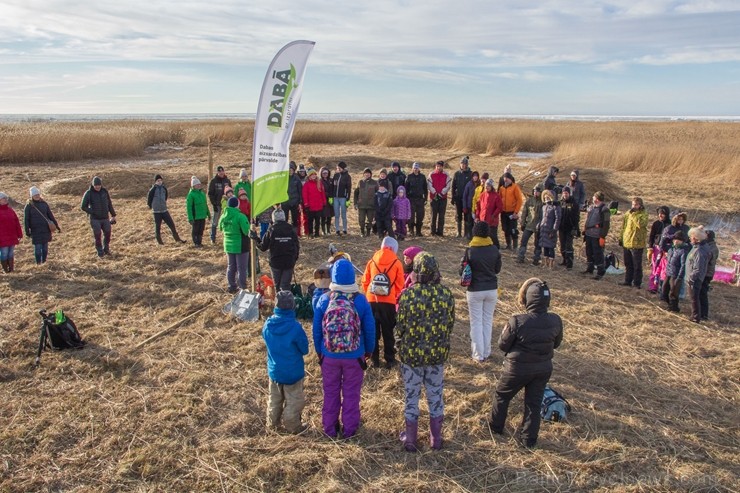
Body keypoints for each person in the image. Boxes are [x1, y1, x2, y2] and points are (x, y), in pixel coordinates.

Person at [489, 278, 563, 448]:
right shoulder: (556, 320)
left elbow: (503, 345)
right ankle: (529, 439)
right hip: (543, 368)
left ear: (528, 299)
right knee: (534, 403)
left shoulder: (517, 320)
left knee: (502, 396)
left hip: (516, 369)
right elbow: (556, 343)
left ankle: (495, 427)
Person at [396, 252, 455, 451]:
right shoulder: (446, 294)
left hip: (411, 356)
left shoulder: (407, 295)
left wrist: (400, 344)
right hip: (436, 355)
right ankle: (435, 439)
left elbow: (400, 326)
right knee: (435, 396)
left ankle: (411, 439)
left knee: (411, 396)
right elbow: (450, 325)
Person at [313, 259, 376, 439]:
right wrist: (368, 351)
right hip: (355, 356)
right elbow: (369, 329)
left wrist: (320, 351)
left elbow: (317, 329)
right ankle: (350, 429)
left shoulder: (324, 299)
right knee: (351, 393)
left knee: (330, 391)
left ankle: (330, 428)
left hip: (329, 355)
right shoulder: (361, 300)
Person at [262, 290, 309, 434]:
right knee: (294, 401)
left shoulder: (267, 325)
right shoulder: (295, 328)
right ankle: (293, 426)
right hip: (292, 373)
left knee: (274, 400)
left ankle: (272, 425)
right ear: (293, 307)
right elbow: (304, 349)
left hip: (274, 372)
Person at [361, 237, 404, 369]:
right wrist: (391, 294)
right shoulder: (397, 262)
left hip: (371, 301)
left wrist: (372, 294)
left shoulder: (372, 261)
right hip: (388, 302)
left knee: (372, 330)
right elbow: (400, 284)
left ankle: (374, 360)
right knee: (388, 331)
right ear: (392, 248)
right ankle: (390, 360)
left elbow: (365, 281)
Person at [463, 221, 502, 362]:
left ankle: (478, 355)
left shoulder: (470, 250)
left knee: (476, 323)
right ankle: (486, 351)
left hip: (475, 290)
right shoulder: (494, 249)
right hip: (492, 289)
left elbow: (462, 271)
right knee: (487, 321)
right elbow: (497, 270)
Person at [251, 209, 300, 292]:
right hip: (288, 261)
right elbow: (297, 246)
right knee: (285, 285)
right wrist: (294, 259)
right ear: (284, 217)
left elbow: (263, 247)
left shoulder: (271, 230)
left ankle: (279, 302)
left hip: (275, 262)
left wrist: (255, 238)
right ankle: (286, 302)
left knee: (277, 286)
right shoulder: (291, 229)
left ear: (273, 218)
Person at [219, 196, 250, 293]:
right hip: (240, 245)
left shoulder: (223, 216)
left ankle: (231, 286)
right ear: (237, 205)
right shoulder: (240, 216)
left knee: (231, 266)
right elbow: (246, 231)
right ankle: (242, 287)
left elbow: (220, 228)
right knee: (242, 268)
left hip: (228, 245)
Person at [81, 176, 117, 257]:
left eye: (99, 185)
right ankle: (100, 252)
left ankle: (106, 249)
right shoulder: (88, 193)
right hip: (95, 219)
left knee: (107, 234)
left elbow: (109, 203)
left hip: (105, 218)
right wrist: (92, 212)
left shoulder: (104, 191)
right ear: (93, 185)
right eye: (96, 185)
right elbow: (83, 206)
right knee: (97, 236)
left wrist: (113, 215)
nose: (97, 187)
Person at [24, 186, 60, 265]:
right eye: (35, 195)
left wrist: (56, 226)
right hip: (35, 230)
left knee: (45, 248)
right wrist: (27, 230)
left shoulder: (44, 204)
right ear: (31, 196)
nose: (37, 196)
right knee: (38, 248)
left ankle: (44, 261)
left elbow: (50, 215)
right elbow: (26, 219)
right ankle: (38, 263)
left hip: (45, 229)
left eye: (38, 194)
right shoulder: (29, 206)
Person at [147, 174, 186, 245]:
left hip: (164, 210)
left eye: (160, 180)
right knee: (158, 227)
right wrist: (151, 206)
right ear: (155, 181)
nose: (159, 182)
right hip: (157, 212)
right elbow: (149, 199)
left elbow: (166, 197)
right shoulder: (153, 190)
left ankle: (177, 239)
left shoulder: (164, 189)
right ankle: (160, 242)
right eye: (158, 180)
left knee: (172, 225)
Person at [619, 197, 649, 288]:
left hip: (637, 243)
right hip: (627, 241)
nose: (634, 206)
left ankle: (637, 283)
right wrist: (621, 238)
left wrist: (634, 215)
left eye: (636, 204)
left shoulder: (644, 214)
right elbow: (623, 227)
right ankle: (628, 280)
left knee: (637, 265)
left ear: (640, 205)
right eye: (633, 204)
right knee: (628, 263)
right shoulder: (628, 213)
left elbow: (640, 225)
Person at [582, 191, 611, 280]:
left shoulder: (605, 210)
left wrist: (602, 236)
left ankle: (600, 271)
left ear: (597, 199)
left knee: (598, 254)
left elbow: (606, 225)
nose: (593, 198)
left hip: (597, 235)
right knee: (589, 252)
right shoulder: (592, 207)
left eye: (594, 197)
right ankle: (590, 268)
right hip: (589, 234)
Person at [686, 227, 710, 323]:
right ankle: (695, 315)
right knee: (695, 297)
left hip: (694, 279)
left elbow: (698, 268)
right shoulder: (697, 247)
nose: (690, 238)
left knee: (694, 298)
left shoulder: (699, 251)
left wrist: (691, 278)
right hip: (694, 278)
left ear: (696, 238)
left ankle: (696, 317)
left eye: (691, 237)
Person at [661, 231, 690, 312]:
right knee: (664, 290)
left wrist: (679, 277)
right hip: (668, 273)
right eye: (675, 239)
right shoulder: (671, 249)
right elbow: (662, 246)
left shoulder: (683, 251)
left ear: (682, 241)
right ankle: (669, 304)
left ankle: (674, 308)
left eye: (678, 240)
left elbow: (683, 265)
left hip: (676, 275)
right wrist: (665, 238)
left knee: (673, 292)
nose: (676, 241)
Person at [517, 185, 544, 265]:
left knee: (537, 244)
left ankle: (536, 259)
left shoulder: (543, 202)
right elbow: (524, 212)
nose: (536, 193)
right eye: (535, 191)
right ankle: (520, 257)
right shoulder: (529, 201)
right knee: (523, 241)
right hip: (529, 225)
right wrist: (522, 223)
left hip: (538, 226)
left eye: (538, 191)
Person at [647, 206, 671, 293]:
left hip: (665, 249)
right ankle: (653, 286)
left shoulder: (670, 224)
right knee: (655, 267)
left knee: (663, 268)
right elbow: (651, 236)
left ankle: (662, 287)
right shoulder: (656, 223)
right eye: (659, 213)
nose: (660, 215)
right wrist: (650, 247)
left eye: (663, 214)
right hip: (656, 247)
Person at [498, 172, 523, 250]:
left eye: (507, 179)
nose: (505, 180)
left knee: (513, 229)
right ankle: (508, 245)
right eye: (504, 179)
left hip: (512, 212)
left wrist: (516, 212)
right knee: (505, 229)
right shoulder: (501, 188)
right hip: (503, 212)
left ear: (510, 179)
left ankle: (515, 246)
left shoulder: (515, 187)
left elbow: (519, 200)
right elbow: (499, 199)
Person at [475, 179, 503, 247]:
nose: (487, 187)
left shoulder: (496, 196)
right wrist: (477, 216)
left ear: (492, 186)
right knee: (483, 235)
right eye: (486, 185)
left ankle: (496, 248)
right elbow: (478, 207)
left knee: (492, 236)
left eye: (489, 185)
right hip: (482, 219)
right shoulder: (482, 195)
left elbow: (500, 207)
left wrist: (493, 215)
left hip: (492, 220)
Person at [207, 166, 231, 243]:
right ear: (217, 172)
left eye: (222, 171)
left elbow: (230, 192)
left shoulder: (227, 181)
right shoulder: (213, 181)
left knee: (226, 220)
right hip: (217, 204)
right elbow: (210, 193)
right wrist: (213, 204)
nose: (221, 172)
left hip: (226, 204)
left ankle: (226, 235)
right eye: (219, 171)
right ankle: (212, 237)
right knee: (215, 221)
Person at [557, 186, 580, 270]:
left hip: (570, 228)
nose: (565, 195)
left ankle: (569, 264)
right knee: (562, 245)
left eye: (566, 193)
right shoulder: (560, 203)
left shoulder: (574, 203)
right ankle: (564, 260)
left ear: (569, 193)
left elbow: (577, 216)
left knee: (568, 246)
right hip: (561, 228)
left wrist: (575, 227)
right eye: (563, 193)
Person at [538, 190, 561, 269]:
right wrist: (539, 225)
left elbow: (557, 219)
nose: (546, 198)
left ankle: (551, 264)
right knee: (545, 247)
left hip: (550, 229)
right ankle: (545, 263)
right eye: (545, 197)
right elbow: (542, 218)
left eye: (548, 197)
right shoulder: (544, 207)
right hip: (543, 229)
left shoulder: (555, 207)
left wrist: (554, 230)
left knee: (551, 247)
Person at [0, 192, 23, 273]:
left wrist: (19, 233)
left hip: (12, 236)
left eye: (6, 198)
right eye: (3, 198)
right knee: (4, 253)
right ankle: (5, 270)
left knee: (10, 253)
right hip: (2, 238)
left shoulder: (10, 210)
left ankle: (11, 269)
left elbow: (16, 222)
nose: (6, 200)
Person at [428, 160, 451, 236]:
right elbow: (429, 185)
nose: (439, 167)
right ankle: (432, 231)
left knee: (441, 216)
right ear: (435, 166)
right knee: (433, 215)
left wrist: (441, 193)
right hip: (434, 198)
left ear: (442, 167)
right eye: (437, 166)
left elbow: (448, 186)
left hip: (443, 198)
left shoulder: (446, 175)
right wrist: (435, 193)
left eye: (440, 166)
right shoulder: (431, 174)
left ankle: (440, 232)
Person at [451, 156, 473, 238]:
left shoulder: (471, 174)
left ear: (467, 165)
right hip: (458, 198)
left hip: (467, 199)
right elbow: (453, 186)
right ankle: (458, 232)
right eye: (462, 164)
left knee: (467, 216)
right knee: (458, 215)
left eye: (464, 164)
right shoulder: (457, 174)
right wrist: (453, 197)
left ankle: (466, 233)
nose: (463, 165)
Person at [301, 168, 326, 238]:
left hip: (318, 205)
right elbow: (304, 195)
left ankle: (317, 233)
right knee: (310, 220)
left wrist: (324, 202)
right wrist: (306, 204)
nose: (314, 176)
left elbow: (322, 194)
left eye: (315, 174)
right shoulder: (306, 184)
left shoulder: (319, 183)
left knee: (318, 220)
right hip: (310, 206)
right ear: (309, 176)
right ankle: (310, 233)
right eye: (312, 175)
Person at [404, 162, 428, 237]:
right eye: (414, 168)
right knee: (411, 217)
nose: (415, 169)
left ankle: (418, 231)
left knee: (420, 216)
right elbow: (406, 188)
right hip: (411, 199)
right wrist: (406, 199)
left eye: (417, 168)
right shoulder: (409, 176)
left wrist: (426, 198)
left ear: (419, 169)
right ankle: (411, 231)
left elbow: (425, 188)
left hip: (420, 199)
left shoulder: (422, 177)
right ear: (412, 168)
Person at [186, 176, 210, 248]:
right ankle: (196, 242)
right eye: (197, 185)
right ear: (193, 186)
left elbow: (205, 205)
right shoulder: (191, 195)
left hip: (202, 215)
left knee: (201, 229)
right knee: (195, 230)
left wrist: (208, 214)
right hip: (195, 216)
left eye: (199, 184)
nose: (199, 186)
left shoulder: (202, 194)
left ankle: (200, 242)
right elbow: (189, 207)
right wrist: (190, 218)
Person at [354, 168, 378, 238]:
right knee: (361, 219)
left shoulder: (374, 183)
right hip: (361, 205)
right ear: (363, 174)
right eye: (365, 173)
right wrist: (355, 203)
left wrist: (376, 204)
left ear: (370, 174)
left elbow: (377, 194)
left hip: (371, 205)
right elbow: (356, 193)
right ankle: (362, 231)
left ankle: (368, 232)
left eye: (368, 173)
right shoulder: (360, 182)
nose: (367, 174)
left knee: (370, 219)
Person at [700, 230, 719, 321]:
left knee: (703, 293)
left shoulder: (712, 248)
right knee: (700, 293)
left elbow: (708, 260)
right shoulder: (708, 246)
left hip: (707, 273)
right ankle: (701, 312)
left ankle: (704, 314)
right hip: (704, 272)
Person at [282, 162, 303, 234]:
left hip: (294, 201)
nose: (290, 171)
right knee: (285, 218)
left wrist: (300, 201)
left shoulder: (297, 178)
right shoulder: (283, 179)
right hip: (285, 202)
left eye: (291, 170)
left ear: (294, 170)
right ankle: (285, 233)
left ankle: (294, 233)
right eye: (289, 170)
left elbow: (300, 190)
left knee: (295, 219)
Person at [333, 161, 351, 235]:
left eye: (339, 168)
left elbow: (349, 188)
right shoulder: (336, 175)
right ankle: (337, 229)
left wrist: (348, 199)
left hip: (343, 198)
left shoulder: (347, 176)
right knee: (336, 214)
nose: (338, 169)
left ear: (343, 168)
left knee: (343, 214)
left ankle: (344, 229)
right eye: (337, 168)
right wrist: (331, 196)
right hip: (335, 198)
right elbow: (332, 186)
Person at [461, 171, 480, 240]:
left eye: (476, 176)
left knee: (477, 222)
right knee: (469, 222)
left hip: (477, 207)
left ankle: (476, 236)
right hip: (469, 207)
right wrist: (464, 206)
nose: (475, 177)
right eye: (474, 176)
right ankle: (469, 235)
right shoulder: (469, 184)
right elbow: (465, 196)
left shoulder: (480, 185)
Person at [319, 166, 335, 235]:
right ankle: (323, 230)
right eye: (323, 173)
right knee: (323, 216)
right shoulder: (319, 181)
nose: (325, 174)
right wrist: (326, 194)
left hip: (330, 200)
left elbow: (334, 189)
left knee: (329, 216)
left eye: (326, 173)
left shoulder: (331, 180)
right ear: (321, 174)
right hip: (323, 200)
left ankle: (328, 230)